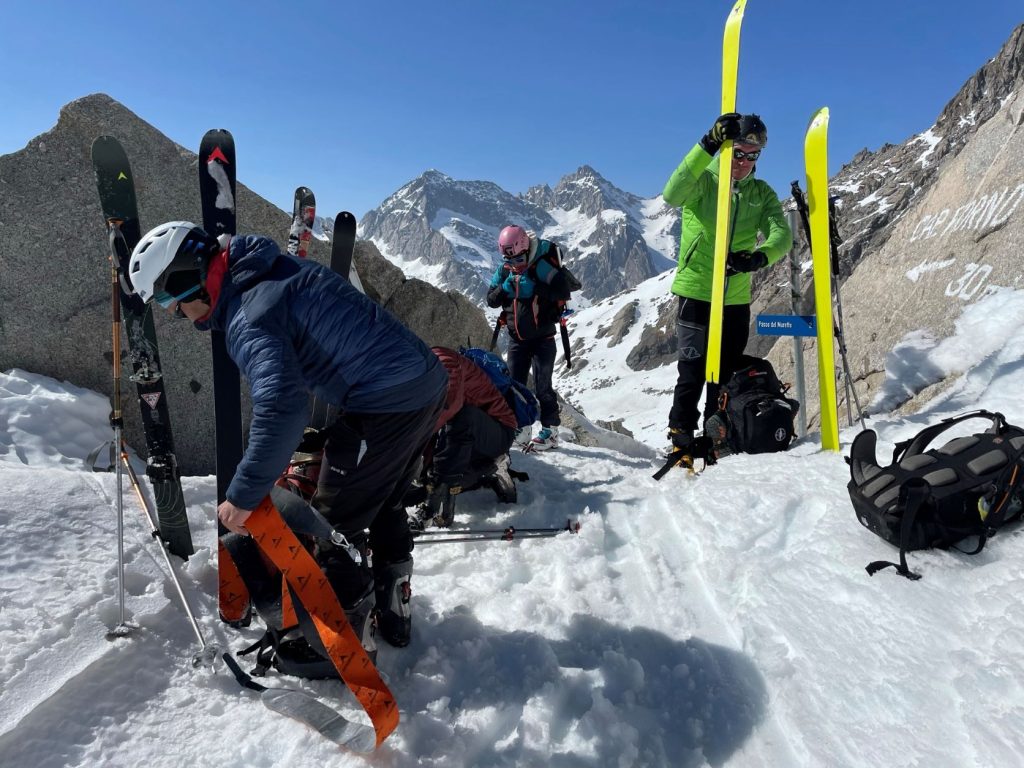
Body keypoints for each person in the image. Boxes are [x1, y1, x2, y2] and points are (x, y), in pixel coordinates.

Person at [127, 222, 448, 651]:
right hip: (421, 385)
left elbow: (283, 406)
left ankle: (341, 643)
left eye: (166, 299)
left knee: (328, 524)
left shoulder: (249, 313)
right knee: (382, 497)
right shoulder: (271, 270)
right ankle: (393, 604)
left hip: (388, 401)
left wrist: (242, 495)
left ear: (186, 279)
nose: (172, 313)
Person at [663, 112, 793, 457]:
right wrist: (707, 143)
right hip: (696, 291)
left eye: (753, 155)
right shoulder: (704, 182)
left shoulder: (761, 193)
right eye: (738, 152)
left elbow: (782, 235)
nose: (745, 162)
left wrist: (759, 258)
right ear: (725, 150)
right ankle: (681, 436)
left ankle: (717, 432)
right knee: (691, 371)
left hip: (734, 297)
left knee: (723, 373)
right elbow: (672, 193)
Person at [410, 346, 519, 529]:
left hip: (500, 429)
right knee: (431, 474)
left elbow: (450, 405)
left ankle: (432, 508)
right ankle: (492, 466)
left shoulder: (444, 360)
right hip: (470, 438)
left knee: (462, 416)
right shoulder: (423, 373)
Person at [486, 225, 572, 451]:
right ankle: (521, 429)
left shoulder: (540, 265)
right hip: (516, 339)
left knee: (543, 387)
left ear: (526, 250)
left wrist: (535, 289)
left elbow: (563, 291)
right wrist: (506, 288)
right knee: (515, 386)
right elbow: (491, 300)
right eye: (511, 261)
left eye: (519, 260)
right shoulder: (505, 270)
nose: (516, 265)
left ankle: (550, 432)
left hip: (543, 338)